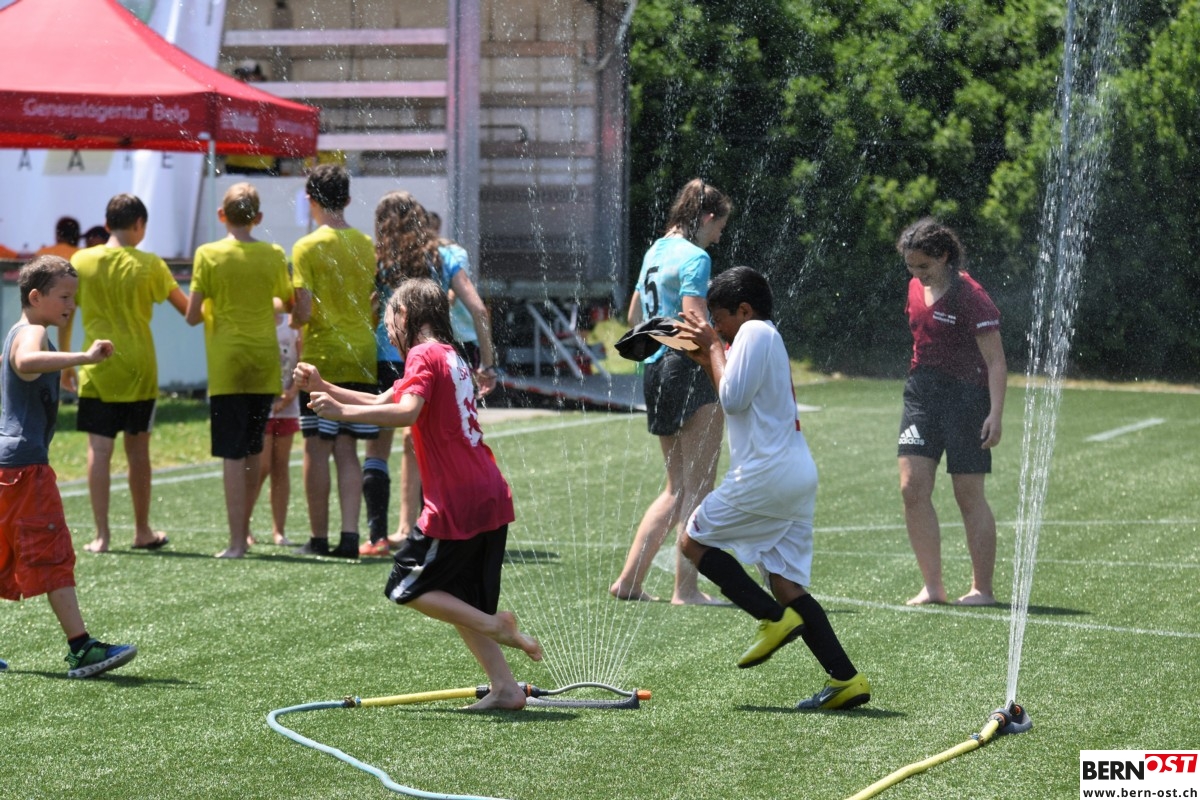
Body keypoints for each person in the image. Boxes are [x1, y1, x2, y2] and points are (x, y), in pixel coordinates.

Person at [296, 277, 543, 709]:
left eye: (389, 319)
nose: (387, 331)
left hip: (456, 498)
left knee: (402, 587)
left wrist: (340, 411)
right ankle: (505, 687)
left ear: (406, 314)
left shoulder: (422, 354)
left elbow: (406, 412)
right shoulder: (448, 354)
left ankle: (498, 626)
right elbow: (385, 399)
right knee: (460, 599)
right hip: (488, 490)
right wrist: (324, 386)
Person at [673, 266, 870, 710]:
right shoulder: (760, 336)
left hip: (765, 474)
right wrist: (709, 358)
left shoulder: (754, 332)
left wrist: (713, 347)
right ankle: (846, 679)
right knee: (785, 582)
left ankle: (772, 619)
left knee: (692, 541)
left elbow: (732, 400)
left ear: (743, 310)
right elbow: (737, 395)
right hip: (793, 474)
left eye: (719, 319)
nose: (717, 328)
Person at [1, 256, 136, 678]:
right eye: (63, 297)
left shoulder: (19, 331)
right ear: (35, 297)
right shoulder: (33, 332)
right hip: (25, 468)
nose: (71, 305)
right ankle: (82, 647)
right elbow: (25, 363)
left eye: (73, 297)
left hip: (7, 465)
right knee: (51, 551)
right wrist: (85, 358)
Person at [609, 178, 730, 605]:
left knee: (675, 487)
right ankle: (686, 589)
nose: (718, 238)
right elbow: (695, 323)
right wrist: (723, 357)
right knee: (699, 485)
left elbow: (634, 315)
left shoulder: (655, 251)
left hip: (655, 372)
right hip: (689, 369)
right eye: (719, 228)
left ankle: (629, 581)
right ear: (707, 217)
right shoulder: (696, 257)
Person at [361, 193, 498, 556]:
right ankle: (427, 528)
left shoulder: (378, 259)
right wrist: (487, 363)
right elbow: (478, 309)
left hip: (389, 355)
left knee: (377, 447)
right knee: (427, 444)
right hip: (436, 355)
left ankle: (378, 535)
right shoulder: (445, 255)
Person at [63, 194, 187, 553]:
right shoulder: (150, 264)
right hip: (139, 369)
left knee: (99, 450)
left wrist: (68, 363)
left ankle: (101, 536)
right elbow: (187, 309)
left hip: (96, 367)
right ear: (139, 225)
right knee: (138, 452)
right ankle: (142, 530)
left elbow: (66, 314)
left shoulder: (81, 261)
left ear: (106, 225)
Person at [895, 218, 1006, 606]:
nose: (917, 274)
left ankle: (982, 589)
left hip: (967, 399)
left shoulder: (971, 296)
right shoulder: (914, 287)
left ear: (944, 256)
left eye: (924, 266)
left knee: (967, 494)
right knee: (912, 487)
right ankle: (933, 586)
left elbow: (995, 361)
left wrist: (995, 414)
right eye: (911, 266)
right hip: (922, 395)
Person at [186, 183, 293, 558]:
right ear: (258, 217)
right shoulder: (273, 254)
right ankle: (244, 532)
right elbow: (286, 302)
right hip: (263, 361)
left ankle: (236, 542)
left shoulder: (208, 254)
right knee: (251, 450)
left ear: (221, 215)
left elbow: (192, 315)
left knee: (232, 454)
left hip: (227, 363)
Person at [290, 164, 378, 559]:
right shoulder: (366, 244)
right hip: (362, 354)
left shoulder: (306, 247)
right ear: (348, 199)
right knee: (348, 448)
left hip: (322, 357)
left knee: (317, 446)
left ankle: (319, 538)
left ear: (311, 200)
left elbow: (304, 309)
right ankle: (349, 537)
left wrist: (293, 321)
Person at [249, 297, 302, 547]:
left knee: (281, 466)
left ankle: (279, 530)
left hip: (287, 405)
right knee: (261, 466)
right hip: (262, 404)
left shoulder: (292, 325)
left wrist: (290, 394)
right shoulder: (254, 324)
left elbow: (301, 360)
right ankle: (243, 525)